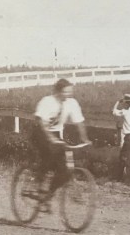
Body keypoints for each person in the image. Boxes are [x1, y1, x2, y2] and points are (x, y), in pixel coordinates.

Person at [32, 78, 91, 207]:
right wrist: (50, 138)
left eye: (70, 92)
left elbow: (79, 122)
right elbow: (41, 122)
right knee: (48, 156)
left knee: (65, 170)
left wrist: (84, 138)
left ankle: (48, 194)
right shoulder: (47, 102)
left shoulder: (71, 103)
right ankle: (37, 182)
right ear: (58, 91)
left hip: (57, 133)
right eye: (65, 92)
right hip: (41, 132)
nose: (68, 95)